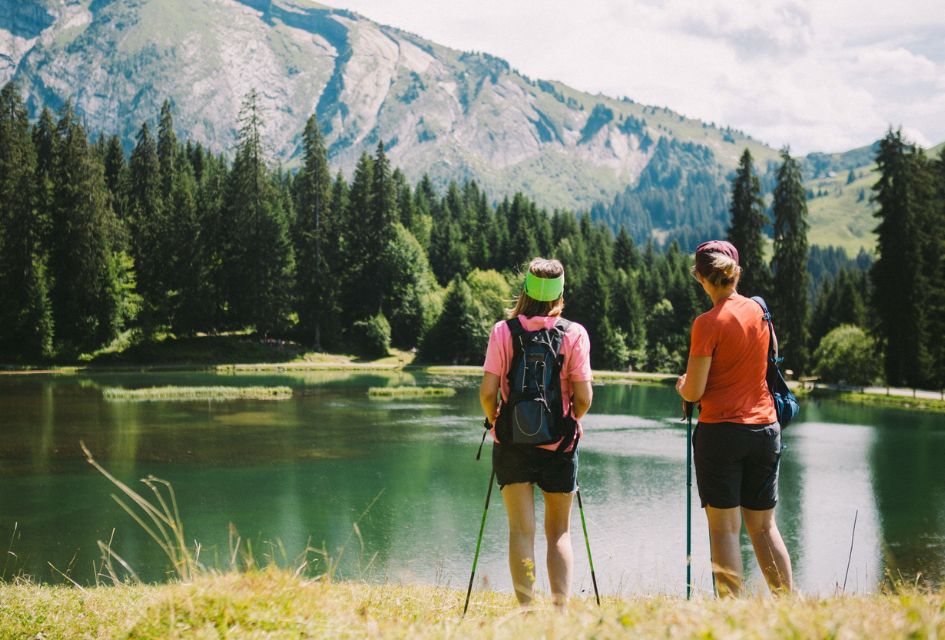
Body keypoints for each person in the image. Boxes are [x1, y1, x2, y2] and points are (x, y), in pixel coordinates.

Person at [675, 240, 793, 596]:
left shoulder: (707, 323)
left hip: (722, 434)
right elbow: (769, 358)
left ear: (700, 277)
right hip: (765, 429)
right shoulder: (761, 312)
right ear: (735, 272)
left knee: (724, 529)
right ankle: (791, 605)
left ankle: (731, 617)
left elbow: (694, 391)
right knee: (763, 526)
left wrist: (681, 385)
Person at [479, 257, 593, 607]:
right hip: (559, 445)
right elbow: (585, 397)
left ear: (526, 290)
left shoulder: (503, 331)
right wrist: (573, 418)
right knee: (558, 532)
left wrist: (494, 418)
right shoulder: (574, 334)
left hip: (511, 443)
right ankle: (558, 615)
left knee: (521, 531)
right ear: (560, 294)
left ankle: (526, 613)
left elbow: (487, 392)